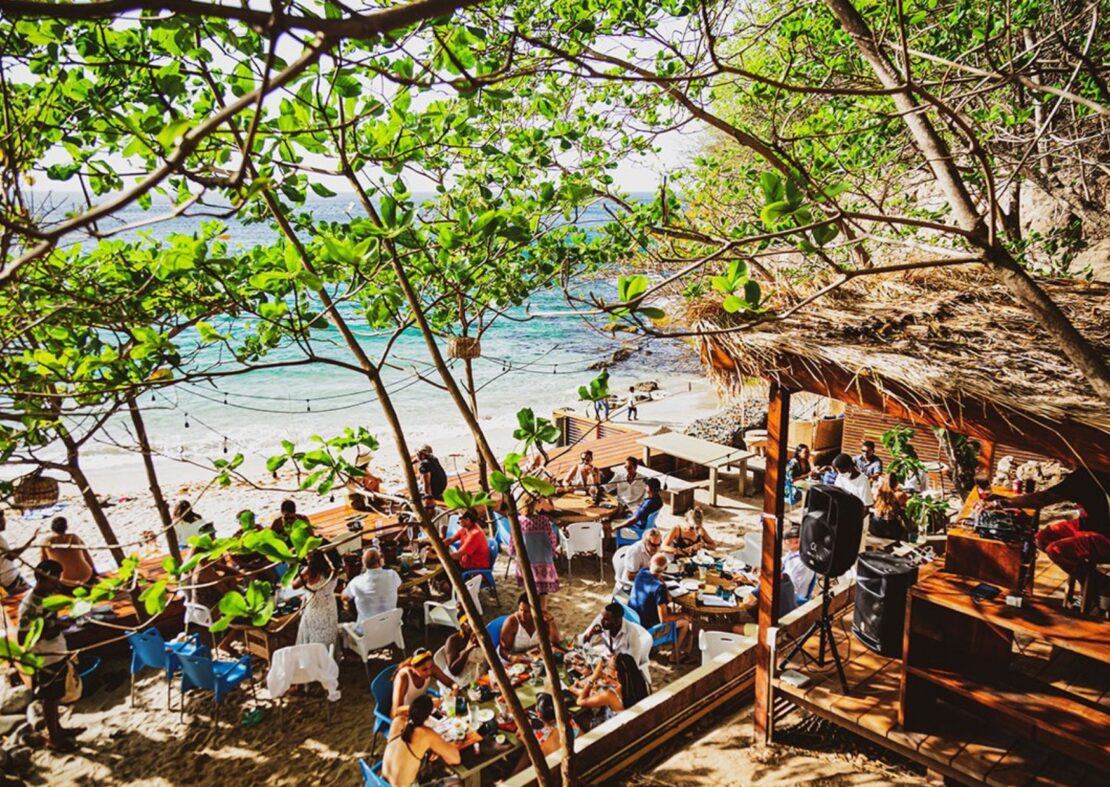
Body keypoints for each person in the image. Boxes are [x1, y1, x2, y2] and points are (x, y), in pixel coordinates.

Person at [981, 465, 1110, 582]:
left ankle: (1096, 585)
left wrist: (1000, 504)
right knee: (1042, 538)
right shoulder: (1088, 472)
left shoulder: (1086, 476)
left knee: (1056, 550)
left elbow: (1042, 499)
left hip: (1105, 537)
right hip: (1090, 524)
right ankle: (1089, 579)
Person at [18, 560, 82, 751]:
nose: (57, 583)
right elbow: (23, 637)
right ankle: (54, 739)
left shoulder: (48, 594)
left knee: (56, 695)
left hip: (57, 651)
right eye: (55, 579)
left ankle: (57, 729)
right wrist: (53, 628)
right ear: (43, 577)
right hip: (45, 656)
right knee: (50, 697)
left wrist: (61, 622)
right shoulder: (29, 605)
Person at [381, 693, 461, 787]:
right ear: (428, 717)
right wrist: (444, 747)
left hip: (380, 782)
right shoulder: (425, 733)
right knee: (457, 782)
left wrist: (432, 748)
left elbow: (407, 748)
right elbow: (456, 759)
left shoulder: (398, 721)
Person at [629, 554, 691, 661]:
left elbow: (658, 580)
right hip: (647, 630)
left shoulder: (642, 572)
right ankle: (674, 656)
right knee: (685, 622)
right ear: (665, 569)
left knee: (670, 610)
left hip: (633, 620)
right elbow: (664, 619)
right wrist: (682, 615)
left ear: (650, 564)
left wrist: (662, 584)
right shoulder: (659, 588)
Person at [569, 652, 649, 725]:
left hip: (613, 725)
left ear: (615, 674)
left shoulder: (611, 695)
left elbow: (580, 701)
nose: (606, 670)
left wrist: (594, 677)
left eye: (608, 667)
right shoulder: (638, 682)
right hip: (635, 722)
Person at [509, 497, 560, 599]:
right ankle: (542, 609)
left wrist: (514, 555)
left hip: (525, 561)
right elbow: (552, 540)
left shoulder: (518, 522)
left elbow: (512, 542)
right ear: (535, 505)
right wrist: (553, 553)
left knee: (529, 589)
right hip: (543, 560)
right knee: (543, 592)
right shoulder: (543, 520)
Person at [343, 547, 402, 626]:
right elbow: (399, 585)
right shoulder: (392, 575)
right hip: (390, 627)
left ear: (363, 564)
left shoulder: (356, 581)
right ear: (380, 561)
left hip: (366, 632)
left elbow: (345, 597)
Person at [293, 550, 338, 650]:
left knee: (314, 637)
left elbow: (294, 585)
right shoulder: (333, 567)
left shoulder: (310, 571)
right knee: (328, 632)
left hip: (315, 608)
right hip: (330, 605)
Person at [498, 593, 563, 662]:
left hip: (536, 659)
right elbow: (503, 650)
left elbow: (556, 641)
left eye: (527, 612)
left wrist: (551, 621)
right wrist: (511, 657)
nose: (522, 614)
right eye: (520, 610)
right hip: (515, 661)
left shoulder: (543, 620)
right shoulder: (512, 622)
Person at [391, 647, 455, 717]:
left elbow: (451, 683)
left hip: (421, 710)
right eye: (424, 669)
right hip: (405, 715)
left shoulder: (430, 668)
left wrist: (454, 691)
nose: (429, 672)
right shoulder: (403, 677)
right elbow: (396, 712)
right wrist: (425, 706)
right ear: (413, 668)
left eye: (431, 667)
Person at [40, 517, 94, 588]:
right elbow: (87, 557)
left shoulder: (47, 542)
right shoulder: (74, 537)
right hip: (87, 577)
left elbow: (44, 564)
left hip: (66, 582)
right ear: (66, 527)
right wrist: (95, 573)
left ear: (52, 528)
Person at [444, 613, 487, 685]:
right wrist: (467, 650)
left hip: (480, 674)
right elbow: (453, 670)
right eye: (471, 625)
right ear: (463, 626)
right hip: (463, 680)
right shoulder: (453, 640)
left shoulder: (480, 634)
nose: (475, 627)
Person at [781, 525, 816, 603]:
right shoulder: (793, 553)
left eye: (787, 540)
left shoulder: (802, 562)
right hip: (786, 590)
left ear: (797, 542)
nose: (784, 543)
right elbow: (782, 562)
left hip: (793, 598)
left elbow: (791, 587)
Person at [0, 509, 31, 595]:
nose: (4, 522)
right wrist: (29, 542)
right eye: (2, 520)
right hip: (9, 580)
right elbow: (11, 556)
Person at [870, 474, 909, 540]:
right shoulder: (899, 494)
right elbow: (905, 505)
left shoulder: (878, 492)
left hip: (875, 525)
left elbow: (874, 501)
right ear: (896, 482)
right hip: (890, 527)